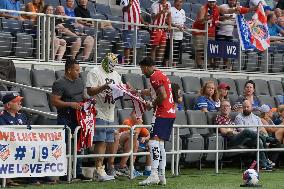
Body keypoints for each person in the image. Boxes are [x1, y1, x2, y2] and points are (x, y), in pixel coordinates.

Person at [0, 93, 56, 185]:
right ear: (8, 105)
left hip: (23, 144)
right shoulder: (2, 116)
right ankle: (13, 178)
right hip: (8, 145)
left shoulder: (22, 116)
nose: (20, 103)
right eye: (16, 101)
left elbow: (30, 130)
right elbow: (3, 133)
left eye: (20, 101)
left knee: (39, 148)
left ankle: (40, 174)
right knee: (24, 150)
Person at [51, 58, 91, 181]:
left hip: (79, 118)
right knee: (66, 146)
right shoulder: (59, 83)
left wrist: (89, 102)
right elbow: (54, 101)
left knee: (79, 146)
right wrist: (70, 104)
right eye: (76, 70)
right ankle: (64, 173)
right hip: (65, 118)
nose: (79, 72)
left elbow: (82, 96)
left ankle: (78, 171)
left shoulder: (79, 81)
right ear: (69, 70)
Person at [137, 57, 176, 186]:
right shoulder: (160, 74)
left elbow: (162, 95)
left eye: (142, 69)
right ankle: (162, 175)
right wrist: (137, 91)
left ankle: (153, 174)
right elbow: (154, 91)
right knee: (160, 145)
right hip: (170, 113)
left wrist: (151, 104)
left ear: (147, 67)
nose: (142, 72)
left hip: (162, 113)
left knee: (153, 142)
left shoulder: (154, 77)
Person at [86, 53, 122, 181]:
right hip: (98, 110)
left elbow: (120, 90)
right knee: (100, 141)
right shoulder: (95, 72)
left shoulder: (116, 75)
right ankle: (98, 169)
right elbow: (89, 91)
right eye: (111, 64)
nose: (113, 67)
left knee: (108, 141)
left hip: (110, 111)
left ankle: (107, 168)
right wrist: (104, 87)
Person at [216, 100, 273, 171]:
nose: (225, 108)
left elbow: (233, 130)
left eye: (227, 106)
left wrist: (234, 131)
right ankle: (265, 138)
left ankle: (264, 164)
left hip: (240, 138)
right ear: (220, 108)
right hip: (230, 141)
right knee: (246, 131)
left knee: (257, 141)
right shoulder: (219, 117)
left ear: (230, 108)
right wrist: (234, 132)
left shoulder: (229, 119)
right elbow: (223, 131)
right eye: (223, 106)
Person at [192, 0, 248, 69]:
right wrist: (204, 19)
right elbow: (199, 21)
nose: (212, 3)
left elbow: (227, 11)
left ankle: (209, 66)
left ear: (216, 2)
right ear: (208, 2)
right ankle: (199, 66)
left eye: (213, 2)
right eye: (210, 2)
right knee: (199, 50)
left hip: (210, 32)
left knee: (210, 50)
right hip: (199, 31)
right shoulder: (203, 8)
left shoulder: (218, 8)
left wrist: (234, 10)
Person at [116, 110, 150, 178]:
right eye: (136, 114)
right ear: (131, 115)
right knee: (135, 140)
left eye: (140, 115)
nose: (138, 117)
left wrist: (145, 138)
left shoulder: (140, 125)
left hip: (131, 144)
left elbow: (149, 135)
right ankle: (122, 167)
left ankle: (146, 170)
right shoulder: (127, 122)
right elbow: (131, 136)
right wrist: (138, 126)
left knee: (150, 144)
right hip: (120, 142)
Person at [120, 0, 148, 64]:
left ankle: (133, 62)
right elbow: (124, 10)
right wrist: (129, 5)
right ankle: (126, 63)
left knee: (135, 46)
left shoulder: (137, 1)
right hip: (128, 27)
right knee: (128, 46)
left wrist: (143, 22)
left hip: (136, 27)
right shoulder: (124, 0)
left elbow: (139, 13)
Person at [164, 0, 186, 66]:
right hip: (171, 35)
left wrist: (184, 27)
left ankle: (174, 67)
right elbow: (167, 20)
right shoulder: (171, 9)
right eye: (178, 1)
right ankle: (166, 66)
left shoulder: (183, 11)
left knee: (176, 52)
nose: (179, 3)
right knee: (168, 52)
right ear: (175, 2)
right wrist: (177, 26)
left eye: (181, 2)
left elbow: (182, 22)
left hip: (180, 36)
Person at [150, 0, 172, 64]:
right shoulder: (155, 5)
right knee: (154, 47)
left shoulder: (168, 4)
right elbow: (153, 18)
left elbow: (169, 15)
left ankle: (158, 63)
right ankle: (152, 63)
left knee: (162, 46)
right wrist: (161, 12)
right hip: (155, 28)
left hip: (163, 29)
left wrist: (170, 24)